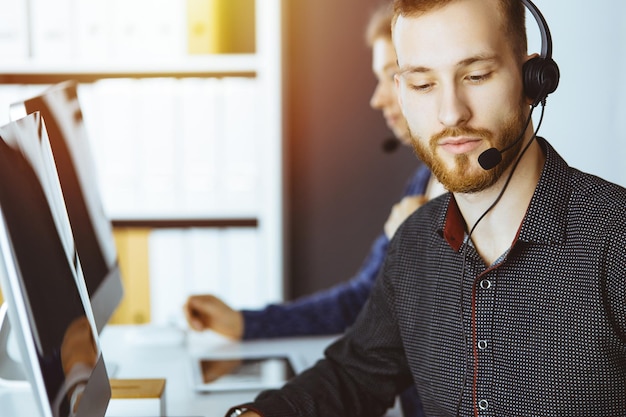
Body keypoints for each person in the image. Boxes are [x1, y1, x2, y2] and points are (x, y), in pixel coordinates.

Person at [223, 0, 626, 416]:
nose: (451, 112)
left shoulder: (616, 239)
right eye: (423, 85)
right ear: (401, 92)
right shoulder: (414, 241)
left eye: (476, 75)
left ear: (532, 80)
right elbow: (356, 374)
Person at [184, 4, 443, 417]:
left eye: (394, 76)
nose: (378, 98)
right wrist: (246, 324)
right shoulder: (421, 183)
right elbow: (361, 302)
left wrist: (418, 250)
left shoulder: (480, 205)